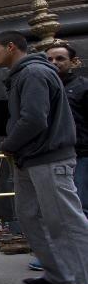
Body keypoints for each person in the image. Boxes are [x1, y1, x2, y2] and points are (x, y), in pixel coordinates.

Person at [0, 32, 88, 284]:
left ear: (11, 47)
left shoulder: (33, 73)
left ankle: (84, 282)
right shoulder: (23, 74)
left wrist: (9, 143)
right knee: (30, 217)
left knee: (65, 220)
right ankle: (58, 274)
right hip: (30, 157)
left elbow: (33, 119)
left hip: (48, 157)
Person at [46, 43, 88, 217]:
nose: (54, 62)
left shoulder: (83, 87)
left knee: (81, 204)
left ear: (74, 61)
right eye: (49, 59)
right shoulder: (44, 88)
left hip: (81, 154)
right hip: (53, 155)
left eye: (60, 58)